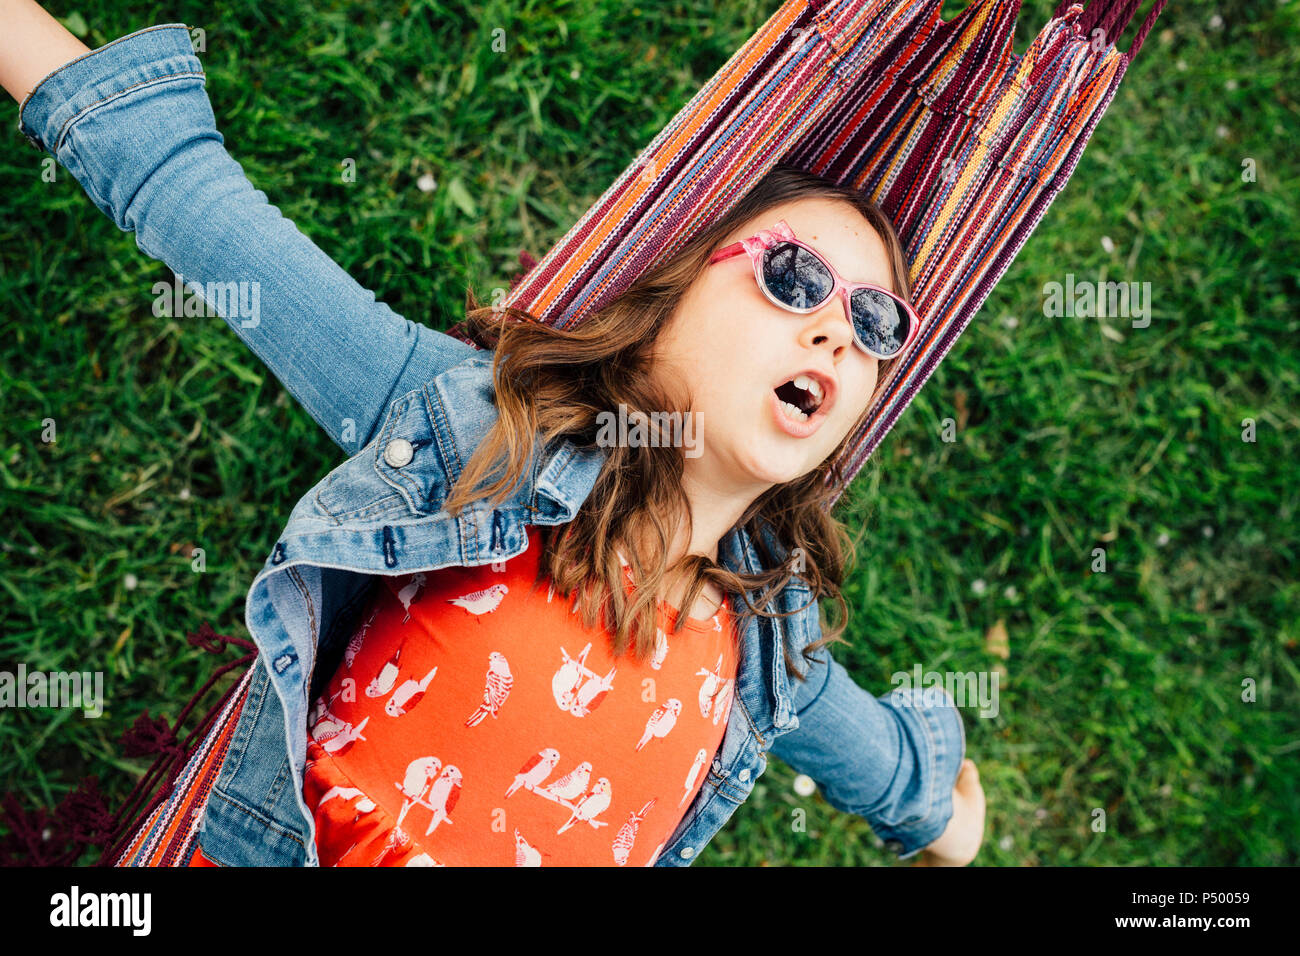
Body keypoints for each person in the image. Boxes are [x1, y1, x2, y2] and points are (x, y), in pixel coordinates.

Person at [3, 2, 985, 866]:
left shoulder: (771, 641)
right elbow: (205, 218)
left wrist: (945, 824)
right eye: (795, 279)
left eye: (875, 324)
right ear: (660, 293)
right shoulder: (481, 430)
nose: (833, 328)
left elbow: (885, 765)